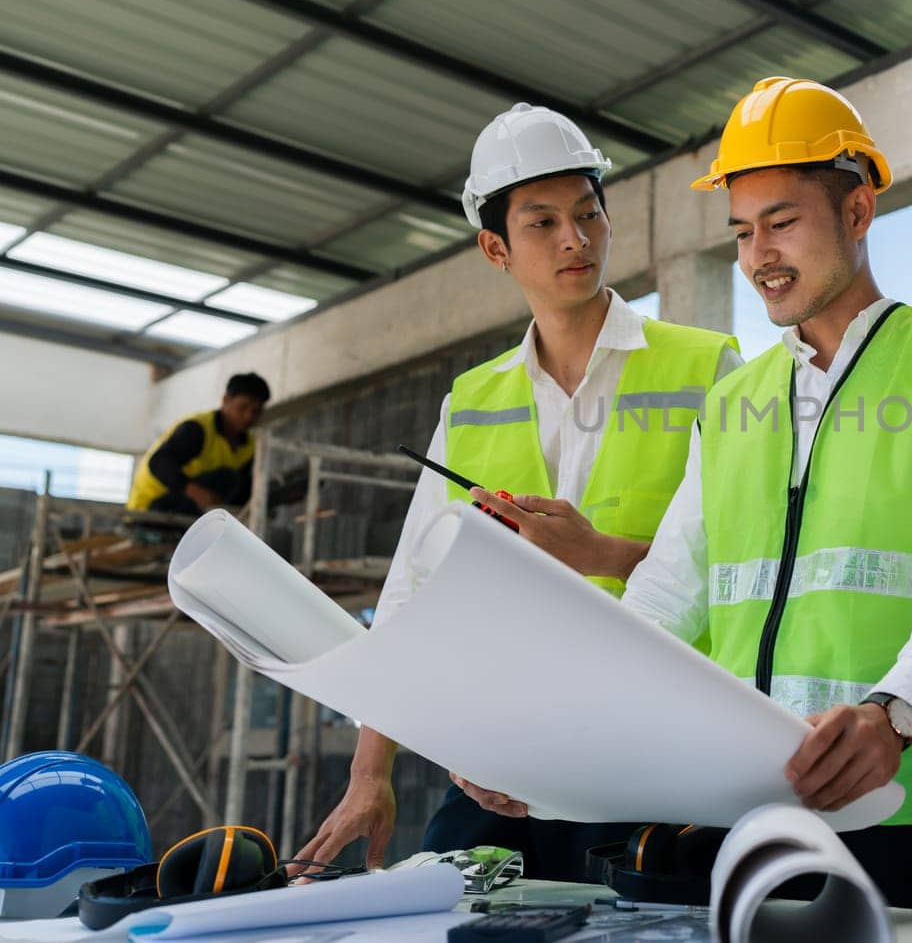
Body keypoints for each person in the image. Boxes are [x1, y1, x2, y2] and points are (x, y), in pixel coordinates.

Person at [475, 77, 912, 911]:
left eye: (782, 223)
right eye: (741, 233)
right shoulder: (733, 402)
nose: (759, 256)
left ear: (856, 212)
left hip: (893, 804)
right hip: (740, 810)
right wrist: (544, 732)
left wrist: (894, 713)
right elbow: (668, 594)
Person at [293, 103, 740, 882]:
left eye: (587, 213)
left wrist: (601, 552)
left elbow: (746, 566)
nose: (575, 239)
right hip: (496, 771)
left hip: (647, 766)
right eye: (542, 223)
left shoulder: (710, 366)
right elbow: (412, 590)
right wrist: (371, 771)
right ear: (495, 247)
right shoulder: (469, 400)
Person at [126, 373, 270, 514]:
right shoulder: (197, 429)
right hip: (150, 506)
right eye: (242, 407)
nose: (248, 416)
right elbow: (158, 463)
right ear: (226, 401)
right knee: (227, 478)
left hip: (188, 505)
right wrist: (194, 491)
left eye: (256, 411)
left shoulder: (250, 445)